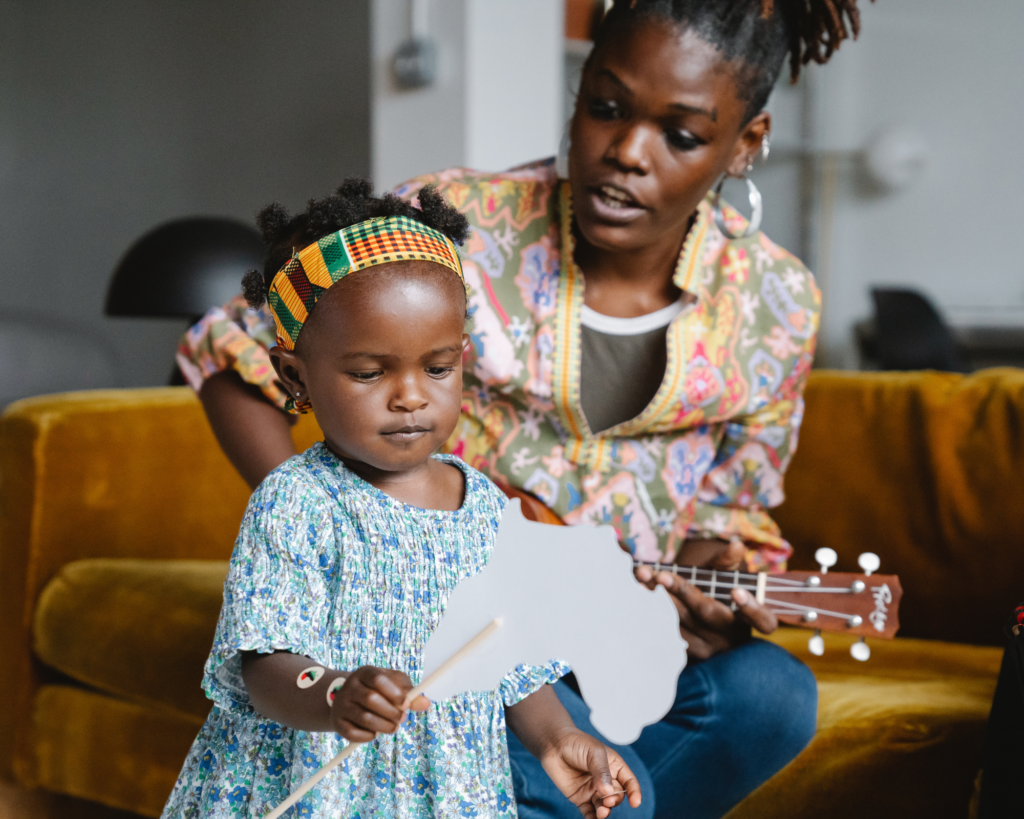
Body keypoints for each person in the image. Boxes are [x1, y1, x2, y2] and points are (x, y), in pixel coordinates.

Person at [176, 2, 872, 815]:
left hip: (614, 626)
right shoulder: (449, 228)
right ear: (577, 91)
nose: (625, 153)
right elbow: (226, 351)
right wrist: (347, 516)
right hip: (457, 625)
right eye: (605, 107)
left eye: (681, 135)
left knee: (771, 696)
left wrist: (717, 564)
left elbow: (735, 503)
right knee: (617, 793)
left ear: (746, 142)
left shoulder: (778, 300)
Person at [162, 182, 642, 819]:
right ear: (294, 377)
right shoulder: (297, 503)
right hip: (317, 790)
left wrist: (559, 739)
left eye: (438, 368)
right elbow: (263, 664)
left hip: (449, 792)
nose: (411, 396)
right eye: (369, 373)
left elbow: (509, 651)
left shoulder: (487, 509)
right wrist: (334, 694)